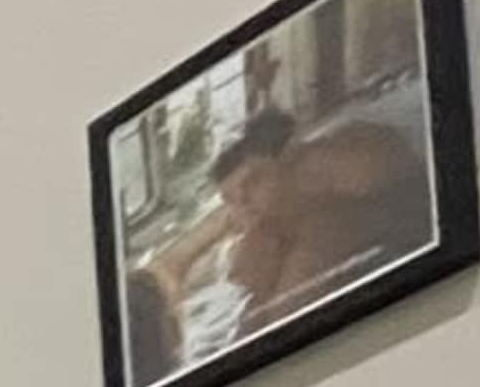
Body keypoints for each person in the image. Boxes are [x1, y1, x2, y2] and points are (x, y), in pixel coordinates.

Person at [141, 102, 434, 353]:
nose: (244, 203)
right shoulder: (267, 228)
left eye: (252, 181)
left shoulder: (337, 183)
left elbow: (278, 325)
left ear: (293, 160)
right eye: (231, 199)